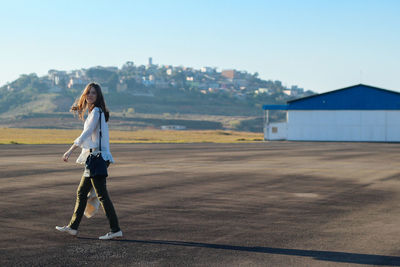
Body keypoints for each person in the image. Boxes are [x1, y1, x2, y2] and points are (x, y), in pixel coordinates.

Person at [55, 82, 123, 240]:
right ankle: (73, 227)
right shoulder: (95, 112)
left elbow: (85, 133)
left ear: (98, 96)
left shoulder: (97, 112)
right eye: (88, 92)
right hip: (93, 158)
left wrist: (70, 150)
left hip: (97, 158)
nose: (90, 95)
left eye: (93, 93)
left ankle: (115, 229)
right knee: (81, 192)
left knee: (102, 195)